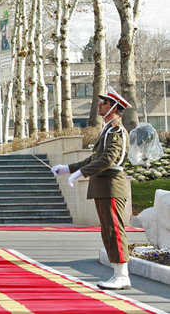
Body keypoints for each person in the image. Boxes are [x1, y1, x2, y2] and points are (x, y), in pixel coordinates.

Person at [52, 86, 131, 291]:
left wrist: (82, 173)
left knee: (114, 230)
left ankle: (122, 275)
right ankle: (118, 273)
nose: (99, 104)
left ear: (113, 107)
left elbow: (109, 158)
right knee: (107, 231)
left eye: (103, 102)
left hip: (111, 185)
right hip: (104, 186)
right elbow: (95, 158)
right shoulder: (107, 129)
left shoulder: (115, 130)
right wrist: (68, 169)